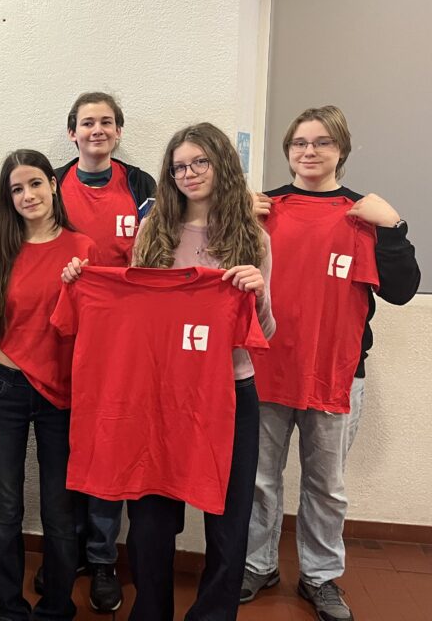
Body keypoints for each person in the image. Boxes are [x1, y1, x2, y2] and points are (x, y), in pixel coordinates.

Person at [62, 121, 274, 621]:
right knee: (151, 520)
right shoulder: (153, 230)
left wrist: (259, 293)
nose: (189, 173)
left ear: (222, 164)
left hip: (228, 392)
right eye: (179, 166)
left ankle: (213, 614)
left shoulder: (254, 238)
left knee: (228, 519)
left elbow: (264, 330)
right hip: (158, 394)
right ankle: (150, 611)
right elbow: (134, 312)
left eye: (200, 162)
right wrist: (81, 281)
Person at [240, 106, 419, 621]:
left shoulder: (363, 216)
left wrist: (394, 227)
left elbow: (402, 291)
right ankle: (257, 565)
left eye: (322, 142)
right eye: (300, 142)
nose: (310, 151)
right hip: (266, 367)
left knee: (327, 486)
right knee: (259, 479)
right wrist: (234, 215)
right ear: (287, 150)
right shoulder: (262, 209)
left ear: (342, 149)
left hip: (336, 374)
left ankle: (319, 577)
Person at [0, 150, 97, 621]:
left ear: (53, 184)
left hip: (62, 394)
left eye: (34, 184)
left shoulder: (83, 248)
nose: (28, 195)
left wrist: (78, 287)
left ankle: (56, 609)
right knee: (5, 507)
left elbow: (96, 327)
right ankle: (6, 607)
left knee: (59, 511)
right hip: (4, 387)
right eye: (16, 189)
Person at [52, 91, 157, 611]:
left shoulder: (140, 184)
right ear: (72, 132)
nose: (98, 130)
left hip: (122, 338)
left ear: (119, 131)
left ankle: (102, 559)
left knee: (108, 443)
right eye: (88, 122)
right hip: (62, 331)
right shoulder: (51, 183)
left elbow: (158, 252)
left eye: (107, 122)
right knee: (67, 445)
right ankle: (67, 551)